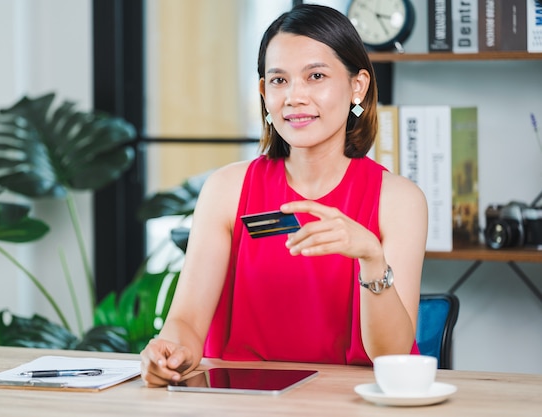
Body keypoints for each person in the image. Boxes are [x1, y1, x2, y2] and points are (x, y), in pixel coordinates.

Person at [140, 4, 428, 388]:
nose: (295, 96)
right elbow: (187, 322)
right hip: (244, 402)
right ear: (263, 92)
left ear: (357, 85)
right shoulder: (226, 189)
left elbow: (390, 356)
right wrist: (169, 352)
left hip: (355, 403)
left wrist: (372, 259)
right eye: (279, 81)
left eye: (316, 76)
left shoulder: (399, 200)